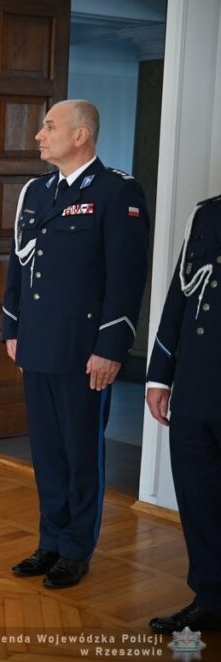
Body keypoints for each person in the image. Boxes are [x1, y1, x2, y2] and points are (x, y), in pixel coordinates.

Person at [1, 100, 149, 588]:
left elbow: (126, 278)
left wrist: (111, 347)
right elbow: (19, 266)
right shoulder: (37, 192)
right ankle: (50, 540)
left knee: (81, 451)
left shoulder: (115, 191)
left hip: (85, 350)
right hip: (40, 343)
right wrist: (13, 327)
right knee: (45, 450)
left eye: (49, 126)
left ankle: (76, 548)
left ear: (81, 135)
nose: (39, 135)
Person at [145, 194, 221, 633]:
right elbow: (180, 296)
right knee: (200, 499)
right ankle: (211, 597)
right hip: (194, 387)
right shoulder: (208, 215)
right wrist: (160, 376)